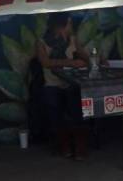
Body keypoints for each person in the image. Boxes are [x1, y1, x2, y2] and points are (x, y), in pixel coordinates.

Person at [35, 13, 91, 160]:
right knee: (54, 106)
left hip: (71, 82)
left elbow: (85, 55)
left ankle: (80, 146)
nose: (71, 26)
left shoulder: (72, 40)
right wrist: (71, 62)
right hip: (52, 83)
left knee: (78, 106)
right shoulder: (41, 42)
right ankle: (64, 144)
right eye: (69, 23)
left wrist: (95, 58)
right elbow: (45, 63)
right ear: (64, 24)